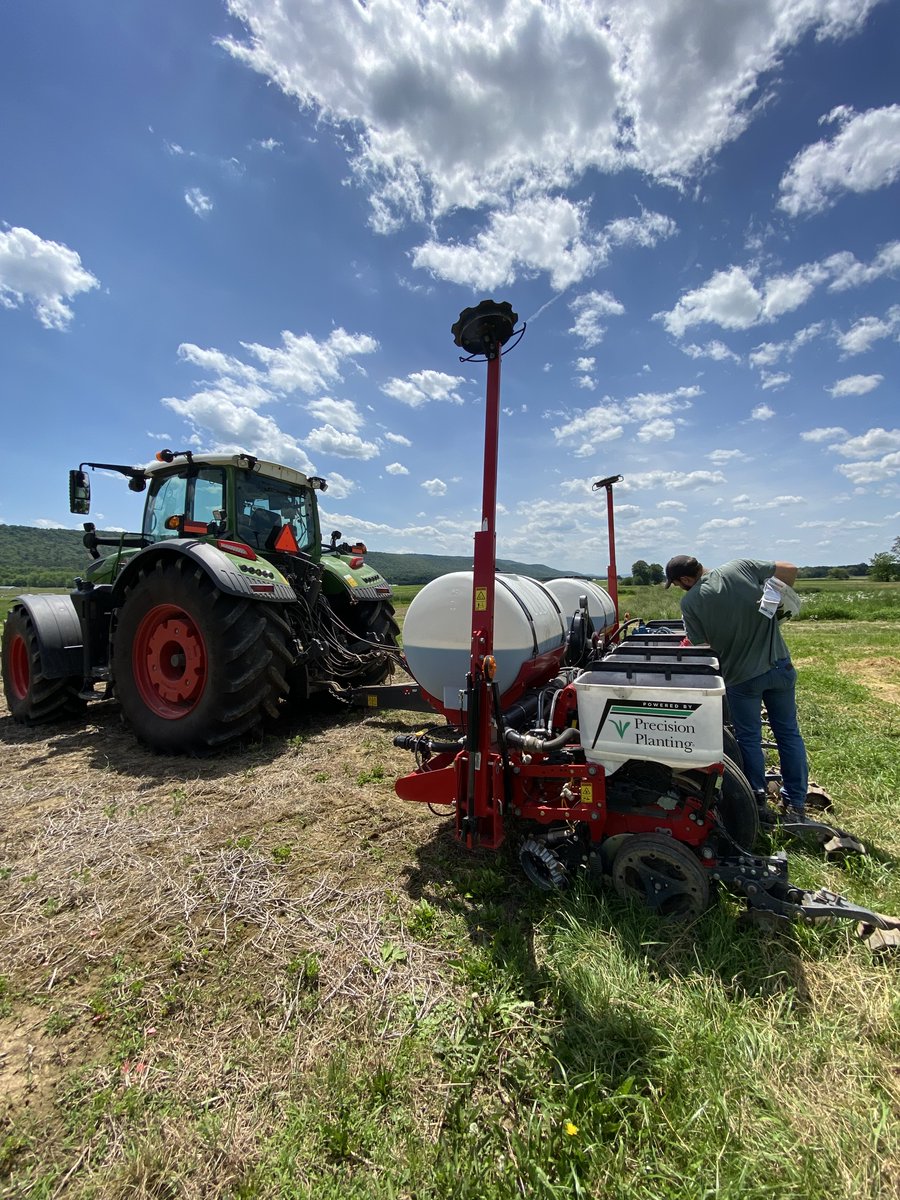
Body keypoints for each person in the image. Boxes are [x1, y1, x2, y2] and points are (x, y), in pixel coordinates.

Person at [663, 554, 808, 820]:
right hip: (779, 666)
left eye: (678, 584)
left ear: (685, 579)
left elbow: (699, 645)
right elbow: (790, 569)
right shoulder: (740, 566)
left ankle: (757, 799)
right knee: (789, 734)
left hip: (742, 678)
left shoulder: (691, 602)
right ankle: (796, 802)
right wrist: (776, 595)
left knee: (749, 739)